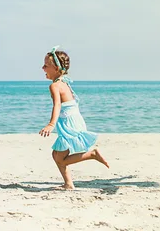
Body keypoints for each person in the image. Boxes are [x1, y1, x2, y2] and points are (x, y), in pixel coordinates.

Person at [39, 45, 109, 190]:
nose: (42, 68)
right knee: (56, 154)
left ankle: (92, 154)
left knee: (60, 158)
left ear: (56, 69)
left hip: (69, 124)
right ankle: (68, 183)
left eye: (46, 66)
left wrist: (51, 124)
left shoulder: (55, 86)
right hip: (73, 120)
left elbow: (57, 105)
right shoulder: (64, 83)